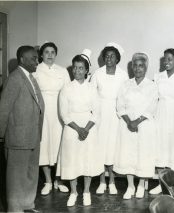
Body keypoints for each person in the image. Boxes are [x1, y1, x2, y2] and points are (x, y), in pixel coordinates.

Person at [0, 46, 45, 212]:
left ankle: (27, 205)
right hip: (18, 137)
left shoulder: (31, 78)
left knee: (31, 173)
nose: (37, 61)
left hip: (33, 135)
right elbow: (3, 109)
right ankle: (15, 209)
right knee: (16, 177)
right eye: (33, 58)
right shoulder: (14, 79)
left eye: (37, 58)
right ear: (22, 60)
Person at [58, 50, 104, 207]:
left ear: (86, 71)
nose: (77, 71)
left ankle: (86, 191)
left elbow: (97, 112)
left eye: (80, 68)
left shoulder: (92, 88)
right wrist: (78, 129)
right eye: (74, 68)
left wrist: (86, 129)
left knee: (87, 160)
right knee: (72, 160)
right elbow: (64, 114)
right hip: (72, 128)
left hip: (88, 127)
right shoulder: (66, 88)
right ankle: (73, 192)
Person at [114, 53, 158, 199]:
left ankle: (140, 185)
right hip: (127, 125)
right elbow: (120, 105)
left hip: (144, 125)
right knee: (128, 155)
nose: (138, 68)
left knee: (143, 155)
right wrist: (129, 122)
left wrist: (137, 121)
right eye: (135, 65)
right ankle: (130, 186)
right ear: (132, 67)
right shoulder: (126, 85)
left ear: (146, 67)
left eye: (141, 65)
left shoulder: (152, 86)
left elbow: (151, 107)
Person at [150, 46, 174, 194]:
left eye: (170, 59)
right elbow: (154, 98)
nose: (166, 62)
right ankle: (161, 184)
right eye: (164, 59)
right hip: (160, 114)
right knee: (160, 148)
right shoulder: (158, 76)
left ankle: (172, 184)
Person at [91, 43, 128, 195]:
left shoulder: (123, 74)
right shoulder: (97, 74)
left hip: (116, 114)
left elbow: (125, 96)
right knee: (100, 147)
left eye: (112, 56)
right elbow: (92, 95)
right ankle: (101, 181)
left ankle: (111, 181)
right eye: (106, 56)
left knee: (113, 147)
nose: (109, 59)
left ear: (117, 59)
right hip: (100, 114)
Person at [35, 42, 70, 195]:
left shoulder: (62, 71)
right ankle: (48, 181)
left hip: (60, 113)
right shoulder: (35, 70)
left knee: (59, 146)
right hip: (42, 112)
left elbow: (68, 92)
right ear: (41, 54)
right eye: (47, 52)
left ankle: (59, 180)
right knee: (44, 145)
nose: (50, 55)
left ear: (56, 54)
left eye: (53, 52)